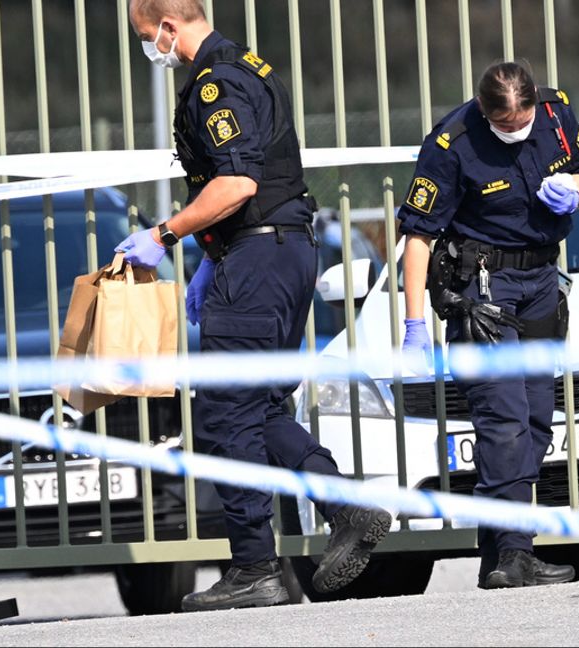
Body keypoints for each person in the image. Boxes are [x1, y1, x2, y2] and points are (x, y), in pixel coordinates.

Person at [116, 0, 392, 611]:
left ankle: (254, 568)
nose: (150, 49)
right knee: (259, 404)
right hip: (276, 252)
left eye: (147, 37)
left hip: (259, 261)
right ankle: (344, 507)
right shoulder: (249, 66)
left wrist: (166, 234)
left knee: (225, 413)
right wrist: (212, 258)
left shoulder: (215, 84)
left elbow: (238, 182)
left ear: (169, 27)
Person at [398, 61, 579, 589]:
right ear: (485, 112)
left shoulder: (555, 113)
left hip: (541, 281)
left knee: (535, 420)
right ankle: (515, 551)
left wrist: (576, 189)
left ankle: (498, 556)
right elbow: (418, 238)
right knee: (503, 418)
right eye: (505, 124)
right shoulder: (452, 143)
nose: (517, 129)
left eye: (523, 119)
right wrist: (414, 324)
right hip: (484, 291)